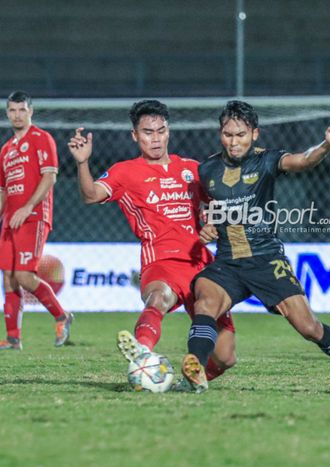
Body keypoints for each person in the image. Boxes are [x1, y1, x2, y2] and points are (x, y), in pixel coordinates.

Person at [179, 100, 330, 395]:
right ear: (220, 134)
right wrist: (208, 225)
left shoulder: (266, 160)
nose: (234, 141)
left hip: (266, 260)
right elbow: (208, 207)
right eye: (228, 134)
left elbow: (302, 160)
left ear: (255, 134)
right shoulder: (208, 170)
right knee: (205, 302)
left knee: (309, 328)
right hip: (227, 261)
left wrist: (326, 146)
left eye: (240, 134)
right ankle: (194, 368)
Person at [68, 100, 236, 383]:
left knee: (226, 356)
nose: (155, 138)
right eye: (147, 132)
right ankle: (142, 354)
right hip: (161, 260)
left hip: (201, 264)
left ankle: (188, 380)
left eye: (160, 131)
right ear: (135, 136)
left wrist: (211, 223)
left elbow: (217, 208)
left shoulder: (192, 169)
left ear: (168, 132)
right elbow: (90, 195)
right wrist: (83, 162)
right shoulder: (125, 171)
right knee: (158, 298)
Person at [0, 91, 72, 350]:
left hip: (33, 217)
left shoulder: (42, 139)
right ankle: (13, 338)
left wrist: (28, 207)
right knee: (8, 278)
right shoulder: (6, 150)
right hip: (10, 222)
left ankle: (62, 315)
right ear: (7, 113)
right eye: (12, 110)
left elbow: (50, 177)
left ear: (30, 111)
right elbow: (1, 192)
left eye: (22, 110)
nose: (17, 115)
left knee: (23, 275)